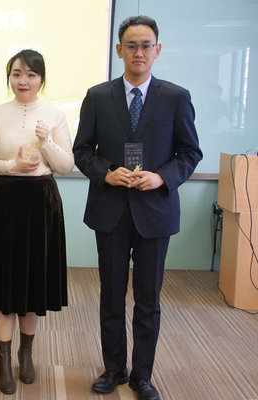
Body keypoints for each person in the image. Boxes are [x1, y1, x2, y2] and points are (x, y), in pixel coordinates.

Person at [72, 16, 202, 400]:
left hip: (155, 212)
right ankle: (114, 369)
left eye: (146, 45)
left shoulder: (176, 97)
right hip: (110, 211)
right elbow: (82, 151)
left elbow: (190, 153)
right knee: (111, 297)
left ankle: (142, 376)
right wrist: (107, 173)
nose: (139, 52)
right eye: (131, 45)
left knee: (148, 300)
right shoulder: (98, 96)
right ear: (119, 50)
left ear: (157, 50)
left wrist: (161, 178)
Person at [0, 49, 74, 395]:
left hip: (41, 203)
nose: (23, 81)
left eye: (31, 74)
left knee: (33, 282)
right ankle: (3, 360)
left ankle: (26, 354)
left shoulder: (55, 115)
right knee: (4, 283)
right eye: (17, 74)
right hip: (4, 201)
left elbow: (66, 166)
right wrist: (10, 166)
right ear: (9, 78)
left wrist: (46, 142)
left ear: (41, 79)